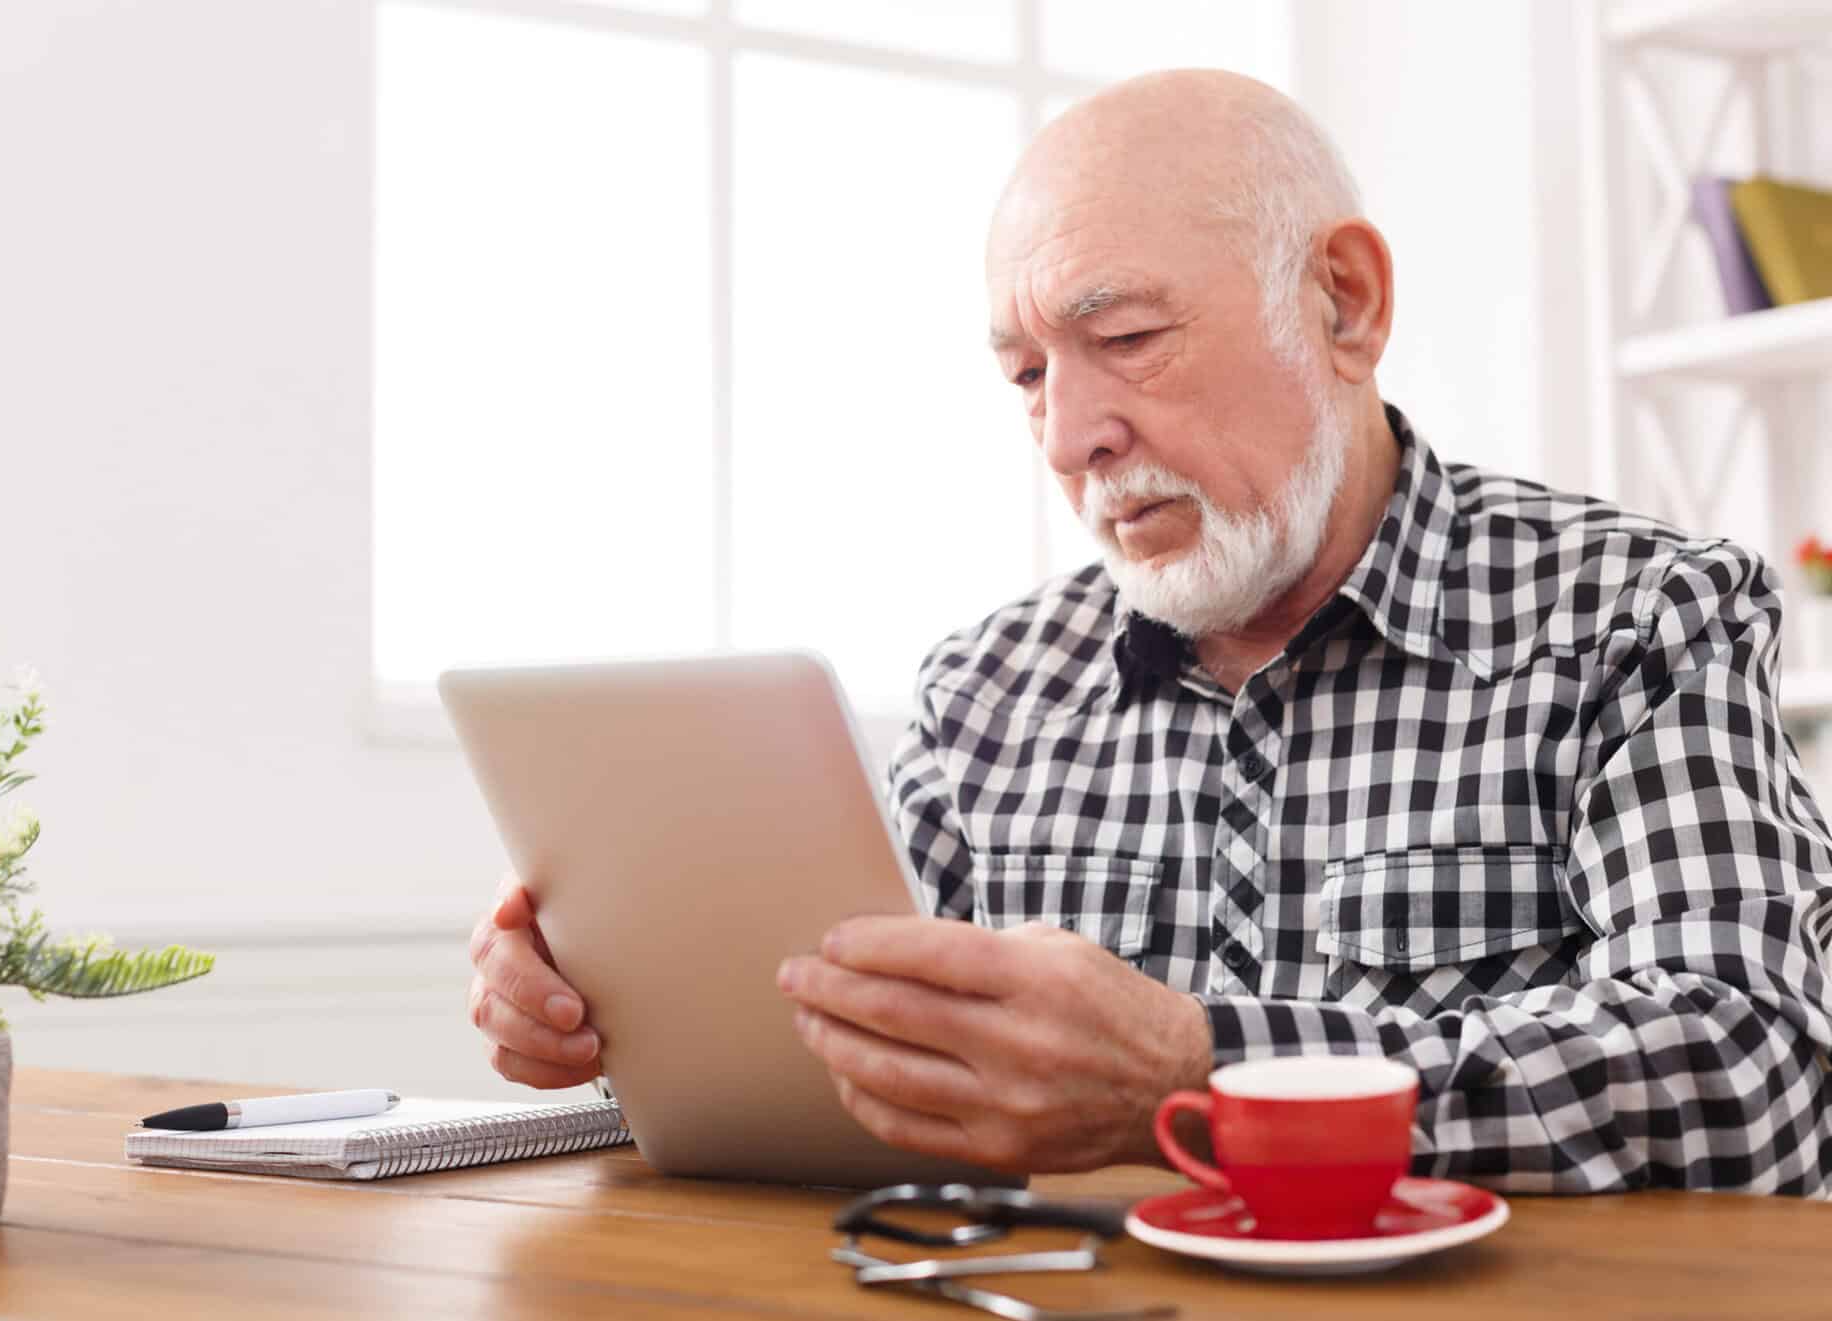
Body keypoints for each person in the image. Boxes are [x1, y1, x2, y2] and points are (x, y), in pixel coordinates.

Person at [466, 69, 1832, 1195]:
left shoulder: (1635, 616)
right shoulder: (986, 692)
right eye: (1024, 376)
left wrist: (1201, 1077)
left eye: (1122, 335)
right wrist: (616, 1015)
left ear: (1342, 305)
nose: (1070, 435)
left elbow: (1753, 1066)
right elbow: (881, 1086)